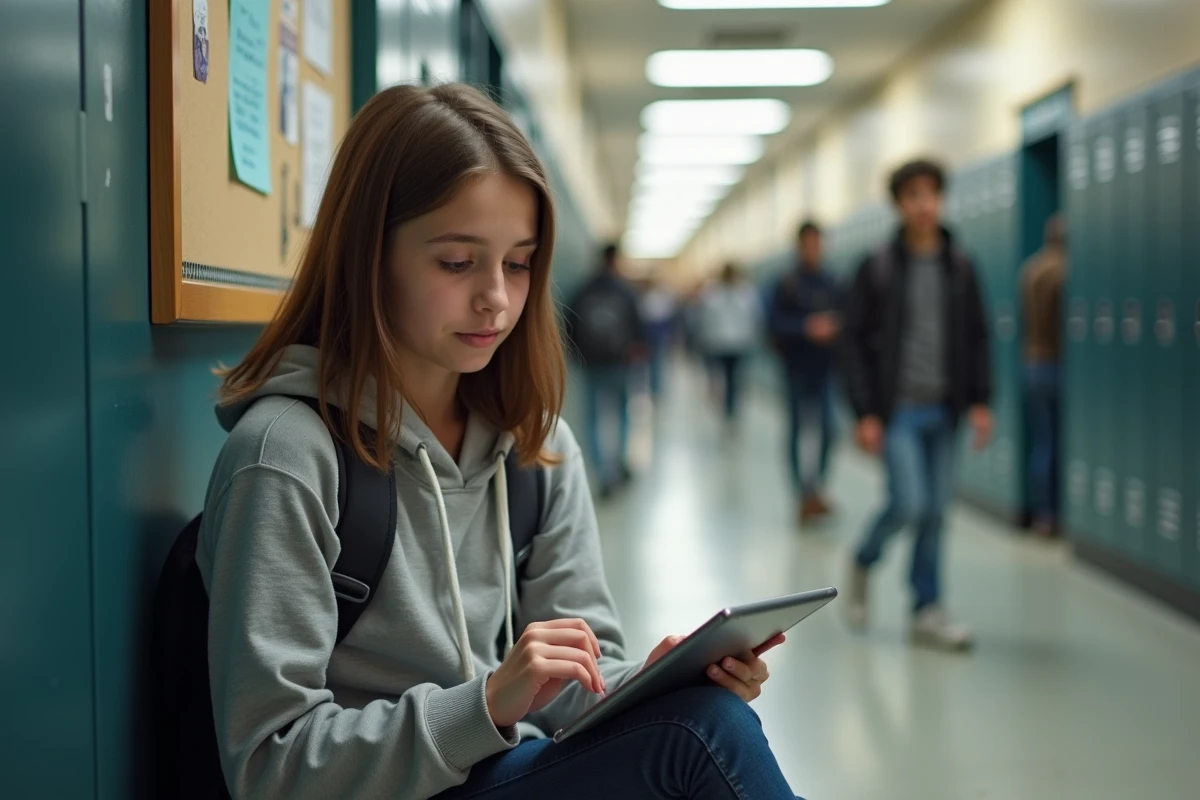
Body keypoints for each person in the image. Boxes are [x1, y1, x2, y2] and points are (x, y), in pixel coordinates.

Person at [200, 83, 800, 799]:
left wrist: (647, 684)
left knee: (702, 711)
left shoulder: (536, 451)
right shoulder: (287, 457)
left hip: (493, 774)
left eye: (518, 263)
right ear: (369, 255)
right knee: (703, 736)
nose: (497, 298)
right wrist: (484, 704)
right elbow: (272, 767)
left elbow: (579, 683)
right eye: (457, 263)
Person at [841, 158, 993, 652]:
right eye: (914, 196)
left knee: (937, 512)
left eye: (932, 194)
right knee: (910, 503)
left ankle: (927, 607)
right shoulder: (879, 265)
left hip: (944, 408)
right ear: (899, 205)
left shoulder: (960, 266)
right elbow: (854, 341)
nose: (925, 205)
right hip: (899, 409)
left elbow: (977, 337)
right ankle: (864, 558)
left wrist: (981, 401)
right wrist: (865, 411)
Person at [768, 221, 842, 523]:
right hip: (795, 369)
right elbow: (772, 325)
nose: (813, 249)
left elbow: (852, 319)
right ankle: (802, 494)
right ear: (799, 246)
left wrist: (834, 327)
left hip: (825, 370)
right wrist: (806, 328)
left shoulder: (833, 282)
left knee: (829, 431)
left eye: (817, 243)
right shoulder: (786, 283)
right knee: (797, 431)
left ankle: (816, 489)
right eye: (808, 243)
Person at [565, 244, 646, 497]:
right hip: (619, 363)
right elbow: (639, 329)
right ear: (616, 260)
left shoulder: (583, 289)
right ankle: (620, 462)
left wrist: (577, 355)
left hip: (591, 364)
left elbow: (568, 324)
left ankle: (603, 472)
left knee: (593, 418)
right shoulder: (626, 291)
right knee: (622, 413)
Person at [1020, 214, 1067, 538]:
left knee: (1042, 440)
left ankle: (1042, 513)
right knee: (1056, 442)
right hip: (1055, 363)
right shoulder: (1063, 271)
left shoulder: (1031, 268)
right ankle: (1054, 514)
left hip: (1031, 363)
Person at [698, 263, 763, 425]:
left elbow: (754, 317)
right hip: (722, 344)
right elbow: (707, 318)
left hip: (738, 344)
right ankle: (729, 410)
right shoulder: (714, 292)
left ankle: (731, 410)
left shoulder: (744, 292)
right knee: (728, 379)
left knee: (735, 380)